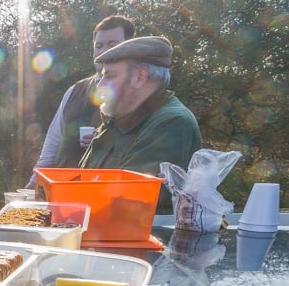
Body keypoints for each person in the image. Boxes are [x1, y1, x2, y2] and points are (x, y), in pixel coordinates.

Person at [79, 35, 203, 209]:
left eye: (109, 76)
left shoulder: (172, 123)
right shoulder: (117, 118)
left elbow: (129, 202)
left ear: (139, 76)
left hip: (147, 235)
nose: (101, 85)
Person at [32, 15, 136, 180]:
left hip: (104, 196)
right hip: (61, 192)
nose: (103, 51)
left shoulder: (136, 93)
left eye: (112, 45)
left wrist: (105, 138)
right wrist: (35, 181)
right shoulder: (74, 91)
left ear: (129, 48)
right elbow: (53, 144)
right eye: (99, 45)